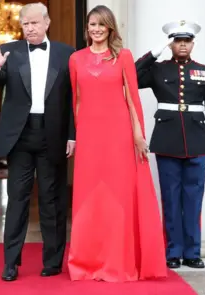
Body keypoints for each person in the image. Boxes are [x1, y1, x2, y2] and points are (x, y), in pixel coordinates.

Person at [67, 5, 167, 282]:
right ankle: (86, 262)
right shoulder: (76, 59)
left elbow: (132, 99)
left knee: (118, 196)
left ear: (110, 28)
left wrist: (138, 136)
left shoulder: (123, 57)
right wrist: (77, 136)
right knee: (89, 198)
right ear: (86, 28)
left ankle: (118, 262)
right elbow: (76, 101)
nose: (96, 29)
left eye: (101, 25)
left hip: (119, 138)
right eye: (92, 24)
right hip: (89, 139)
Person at [0, 3, 76, 281]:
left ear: (47, 23)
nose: (30, 28)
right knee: (17, 201)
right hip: (20, 137)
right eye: (25, 24)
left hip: (54, 135)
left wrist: (73, 134)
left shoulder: (66, 53)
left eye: (35, 23)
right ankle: (10, 262)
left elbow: (73, 99)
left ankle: (53, 260)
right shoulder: (10, 50)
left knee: (52, 201)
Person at [135, 20, 205, 269]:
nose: (182, 44)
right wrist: (153, 53)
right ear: (171, 43)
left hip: (197, 142)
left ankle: (193, 252)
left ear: (193, 43)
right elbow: (131, 75)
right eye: (177, 40)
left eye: (186, 40)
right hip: (167, 141)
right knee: (171, 199)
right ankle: (173, 251)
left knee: (193, 200)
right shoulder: (158, 69)